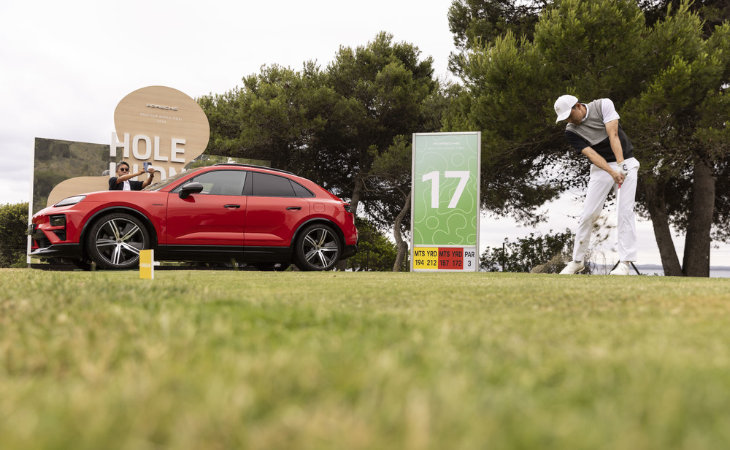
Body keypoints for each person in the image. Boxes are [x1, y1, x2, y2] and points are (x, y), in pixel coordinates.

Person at [553, 95, 640, 275]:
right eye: (565, 119)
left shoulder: (603, 105)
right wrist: (612, 172)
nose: (569, 121)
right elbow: (592, 155)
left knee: (625, 212)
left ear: (578, 106)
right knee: (588, 214)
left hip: (626, 161)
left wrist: (621, 166)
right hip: (602, 168)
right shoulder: (571, 131)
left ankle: (625, 262)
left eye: (570, 116)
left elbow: (613, 135)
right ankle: (577, 261)